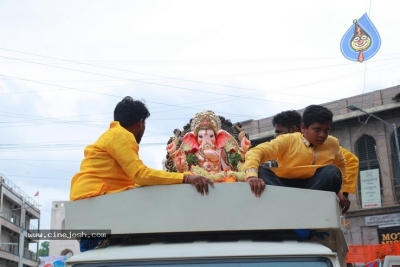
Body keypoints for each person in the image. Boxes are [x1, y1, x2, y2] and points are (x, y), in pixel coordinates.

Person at [70, 96, 214, 201]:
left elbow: (137, 179)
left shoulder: (114, 134)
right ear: (140, 123)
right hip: (93, 198)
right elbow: (140, 175)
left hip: (93, 198)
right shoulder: (121, 135)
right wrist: (186, 178)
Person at [243, 105, 348, 210]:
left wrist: (340, 192)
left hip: (316, 186)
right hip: (285, 186)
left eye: (326, 130)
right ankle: (295, 206)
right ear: (303, 128)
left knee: (332, 171)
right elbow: (256, 152)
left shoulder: (333, 143)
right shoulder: (288, 140)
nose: (322, 135)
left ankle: (298, 207)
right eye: (317, 129)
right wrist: (252, 176)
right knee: (260, 171)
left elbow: (341, 166)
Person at [270, 110, 359, 213]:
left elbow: (351, 161)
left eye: (279, 132)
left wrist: (343, 194)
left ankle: (302, 208)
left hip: (314, 192)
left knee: (331, 171)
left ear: (294, 129)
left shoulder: (324, 144)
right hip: (290, 190)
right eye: (318, 130)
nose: (276, 136)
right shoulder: (283, 144)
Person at [166, 110, 265, 197]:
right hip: (198, 180)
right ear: (195, 139)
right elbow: (183, 170)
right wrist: (178, 161)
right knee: (187, 174)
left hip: (220, 179)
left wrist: (243, 149)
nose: (206, 140)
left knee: (231, 178)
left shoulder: (221, 149)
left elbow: (234, 165)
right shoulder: (193, 152)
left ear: (217, 138)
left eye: (211, 136)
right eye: (201, 137)